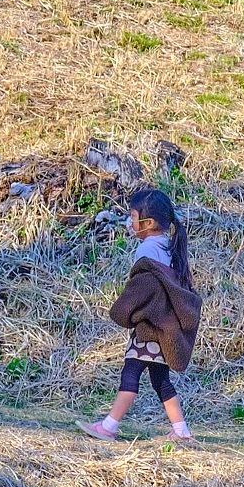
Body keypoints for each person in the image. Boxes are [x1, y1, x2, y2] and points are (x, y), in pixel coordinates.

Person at [86, 186, 199, 441]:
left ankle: (109, 426)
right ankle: (181, 430)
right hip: (164, 333)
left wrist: (123, 312)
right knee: (161, 381)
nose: (129, 222)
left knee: (131, 374)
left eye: (132, 216)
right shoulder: (169, 249)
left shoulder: (147, 251)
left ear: (147, 223)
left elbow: (142, 290)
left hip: (149, 331)